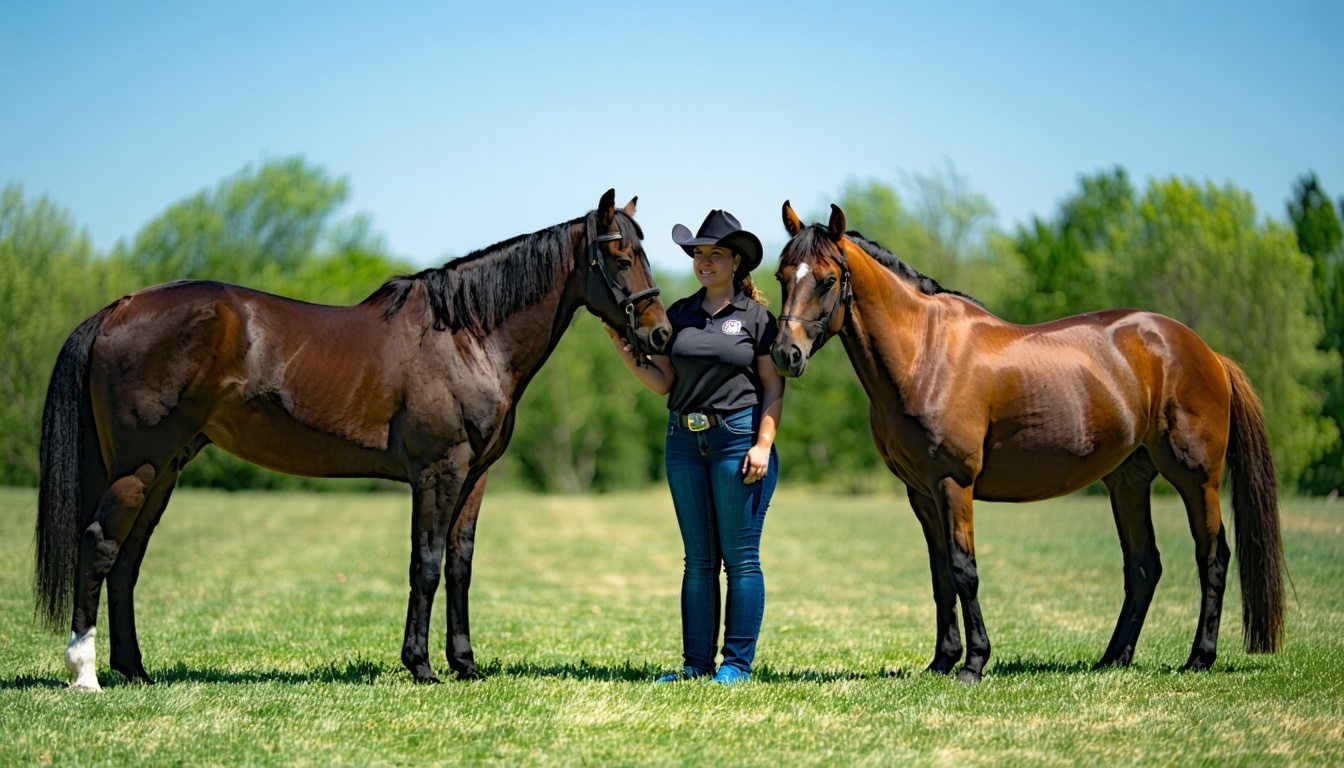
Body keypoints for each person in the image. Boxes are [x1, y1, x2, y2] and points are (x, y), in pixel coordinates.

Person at [606, 209, 785, 685]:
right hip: (683, 441)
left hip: (738, 440)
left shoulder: (757, 318)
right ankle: (696, 666)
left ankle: (737, 665)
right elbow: (663, 382)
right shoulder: (679, 313)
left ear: (736, 263)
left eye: (715, 254)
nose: (704, 262)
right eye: (698, 254)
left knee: (741, 558)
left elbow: (773, 387)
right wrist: (628, 358)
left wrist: (763, 444)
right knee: (699, 560)